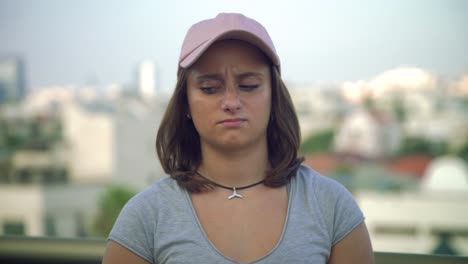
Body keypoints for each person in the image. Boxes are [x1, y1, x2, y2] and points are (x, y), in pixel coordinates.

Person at [102, 13, 374, 264]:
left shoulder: (331, 206)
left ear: (274, 95)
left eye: (249, 85)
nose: (231, 102)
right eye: (210, 88)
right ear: (185, 102)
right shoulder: (146, 217)